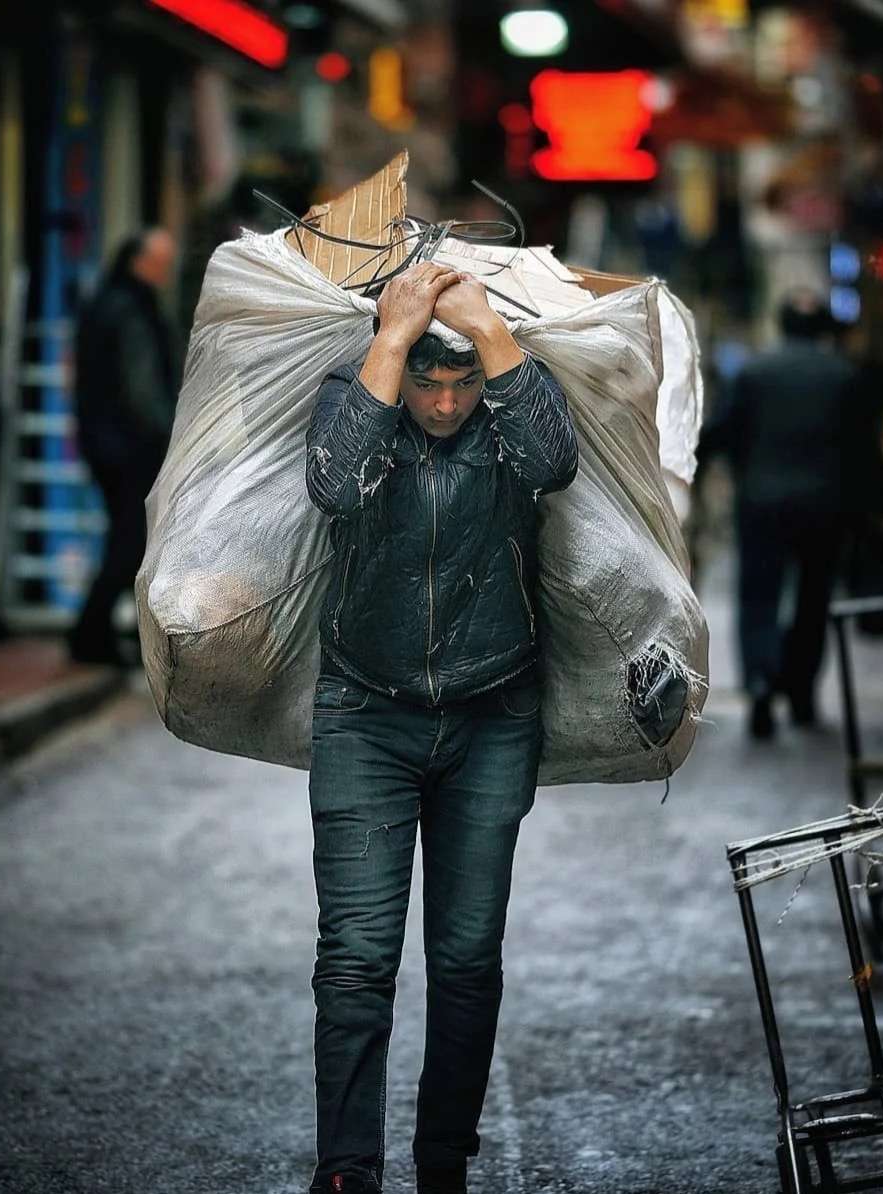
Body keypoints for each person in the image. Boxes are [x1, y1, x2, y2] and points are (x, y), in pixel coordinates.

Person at [303, 262, 578, 1194]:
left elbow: (555, 464)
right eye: (431, 380)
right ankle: (346, 1169)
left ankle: (443, 1162)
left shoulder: (512, 402)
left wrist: (488, 332)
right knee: (357, 957)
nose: (448, 402)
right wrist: (394, 336)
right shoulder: (354, 390)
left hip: (491, 710)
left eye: (463, 382)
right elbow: (334, 487)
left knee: (464, 958)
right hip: (363, 712)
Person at [697, 288, 858, 739]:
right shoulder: (843, 376)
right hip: (825, 506)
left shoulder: (753, 372)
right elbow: (860, 452)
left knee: (758, 598)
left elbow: (722, 433)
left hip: (761, 503)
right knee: (813, 599)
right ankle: (802, 691)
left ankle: (761, 681)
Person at [68, 228, 177, 665]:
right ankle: (89, 633)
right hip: (128, 445)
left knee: (129, 538)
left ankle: (102, 632)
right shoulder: (130, 310)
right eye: (160, 262)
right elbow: (142, 388)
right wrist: (170, 435)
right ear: (138, 261)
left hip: (106, 441)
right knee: (130, 540)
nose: (165, 271)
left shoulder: (106, 302)